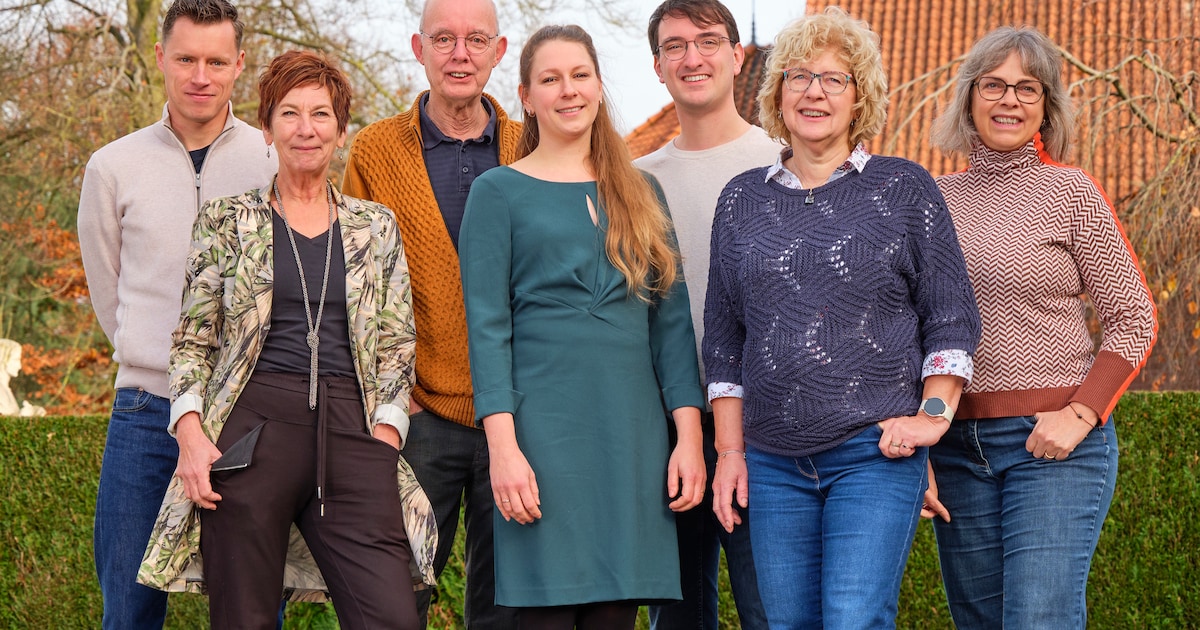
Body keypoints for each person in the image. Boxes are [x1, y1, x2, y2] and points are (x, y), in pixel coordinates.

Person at [136, 50, 437, 630]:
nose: (306, 128)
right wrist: (193, 435)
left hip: (355, 432)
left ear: (341, 129)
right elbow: (194, 339)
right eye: (290, 113)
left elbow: (399, 342)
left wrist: (386, 433)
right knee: (244, 617)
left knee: (392, 615)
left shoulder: (374, 226)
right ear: (268, 128)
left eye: (321, 114)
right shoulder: (228, 220)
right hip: (251, 429)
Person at [703, 7, 982, 629]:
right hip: (770, 462)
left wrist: (932, 417)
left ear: (861, 97)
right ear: (778, 93)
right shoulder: (742, 199)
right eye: (799, 76)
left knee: (854, 618)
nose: (814, 92)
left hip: (873, 456)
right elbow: (723, 341)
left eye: (835, 78)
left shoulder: (905, 189)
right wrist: (729, 453)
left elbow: (950, 316)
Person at [459, 24, 706, 630]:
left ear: (598, 85)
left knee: (614, 615)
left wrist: (690, 441)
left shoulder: (642, 192)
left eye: (580, 75)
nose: (568, 91)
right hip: (540, 440)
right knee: (541, 612)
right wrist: (504, 448)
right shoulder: (497, 193)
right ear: (526, 94)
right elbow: (487, 331)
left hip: (631, 442)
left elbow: (670, 330)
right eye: (550, 79)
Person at [927, 26, 1157, 629]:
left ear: (1047, 106)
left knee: (1038, 620)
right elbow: (911, 329)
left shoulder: (1071, 191)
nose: (1009, 101)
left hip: (1052, 443)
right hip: (954, 449)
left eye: (1028, 88)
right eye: (994, 85)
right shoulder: (931, 200)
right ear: (968, 97)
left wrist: (1082, 412)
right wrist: (920, 437)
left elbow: (1134, 317)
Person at [77, 0, 276, 625]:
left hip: (247, 412)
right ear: (160, 57)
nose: (201, 75)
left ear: (239, 66)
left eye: (217, 61)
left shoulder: (272, 160)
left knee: (253, 611)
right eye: (186, 58)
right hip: (146, 412)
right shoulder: (112, 167)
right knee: (130, 611)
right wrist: (151, 356)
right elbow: (108, 293)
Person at [340, 0, 519, 625]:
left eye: (476, 40)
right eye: (444, 39)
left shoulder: (535, 145)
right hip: (418, 414)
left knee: (507, 604)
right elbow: (352, 283)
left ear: (499, 52)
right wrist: (393, 395)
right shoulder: (377, 149)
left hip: (517, 419)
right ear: (419, 49)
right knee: (393, 597)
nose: (460, 53)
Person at [634, 1, 774, 628]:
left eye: (709, 42)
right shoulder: (633, 182)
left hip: (769, 428)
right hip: (669, 424)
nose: (693, 57)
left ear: (737, 55)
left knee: (771, 606)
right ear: (658, 66)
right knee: (679, 616)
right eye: (676, 46)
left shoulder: (786, 164)